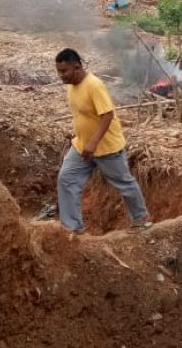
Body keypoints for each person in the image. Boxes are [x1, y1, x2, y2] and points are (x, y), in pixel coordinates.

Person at [54, 48, 152, 233]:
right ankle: (73, 229)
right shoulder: (72, 86)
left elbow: (107, 115)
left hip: (106, 148)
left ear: (77, 66)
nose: (61, 76)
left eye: (64, 71)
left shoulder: (94, 85)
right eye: (59, 71)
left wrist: (93, 142)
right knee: (66, 179)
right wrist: (81, 138)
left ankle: (141, 219)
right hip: (81, 146)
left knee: (124, 183)